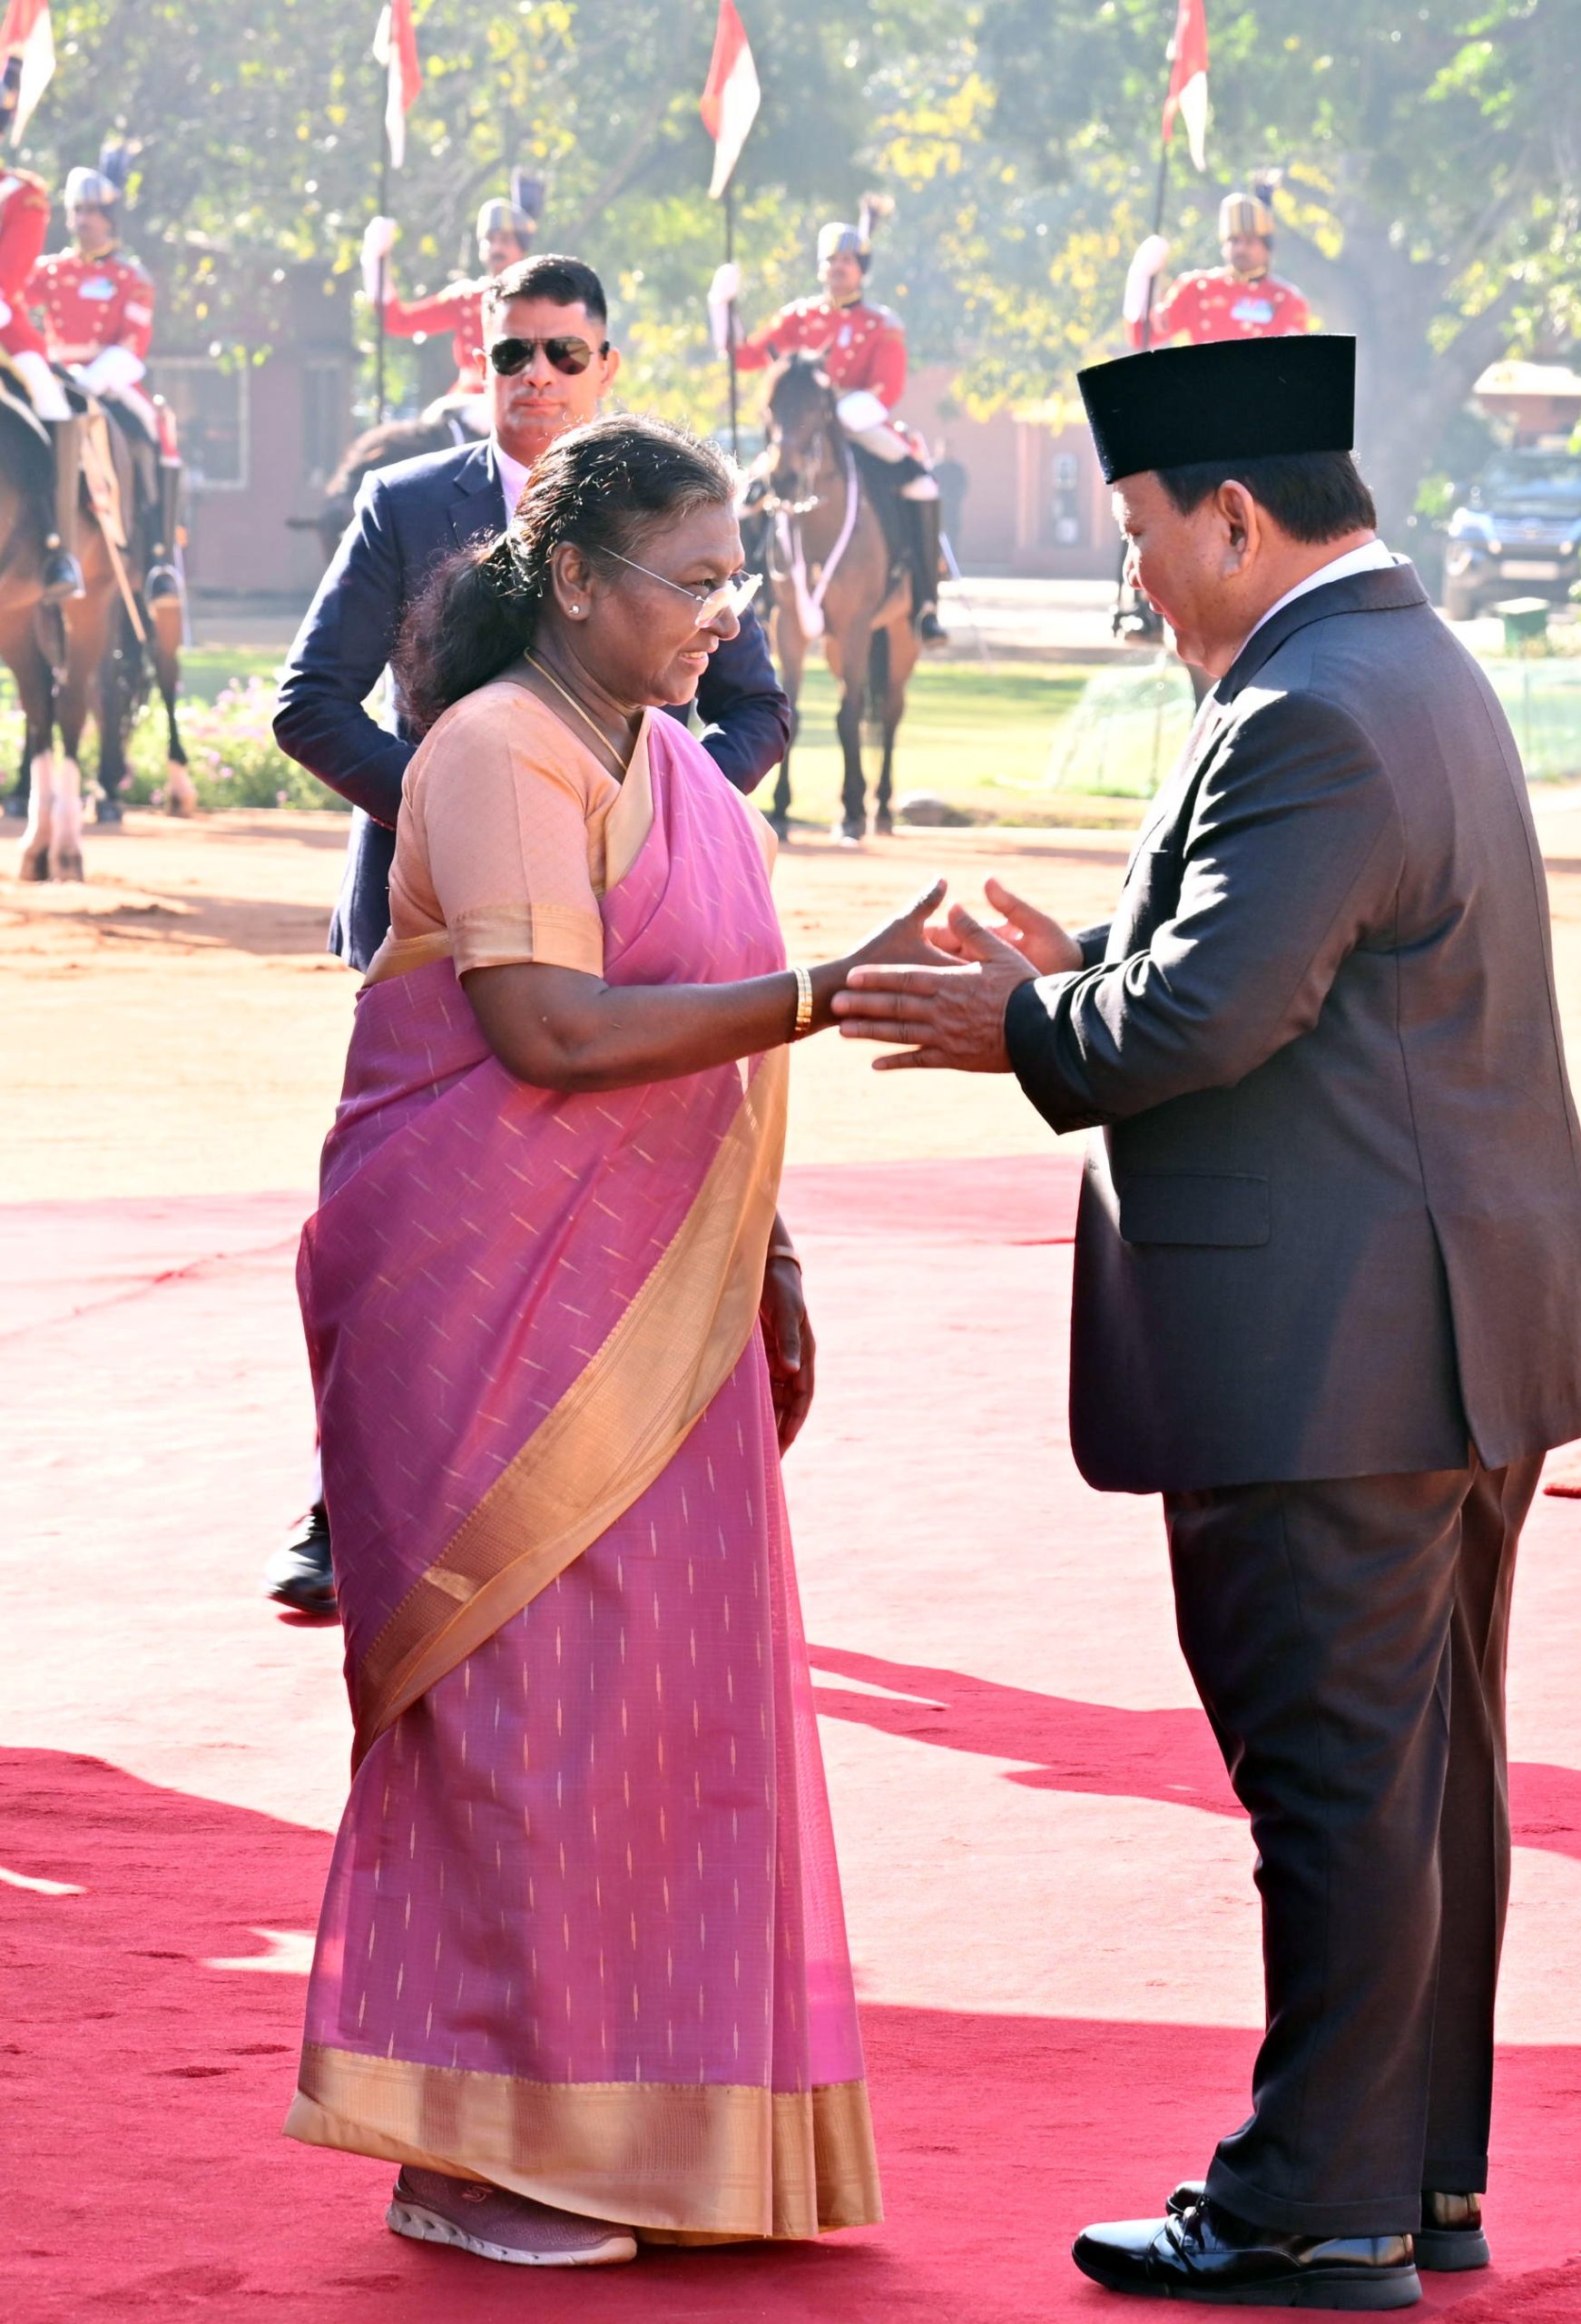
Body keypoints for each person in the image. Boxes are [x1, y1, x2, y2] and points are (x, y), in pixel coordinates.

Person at [834, 334, 1581, 2310]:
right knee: (1418, 1780)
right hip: (1434, 1329)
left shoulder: (1308, 708)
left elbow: (1214, 1013)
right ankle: (1409, 2180)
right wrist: (1087, 959)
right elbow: (1286, 959)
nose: (1130, 573)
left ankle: (1309, 2207)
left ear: (1236, 517)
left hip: (1338, 1351)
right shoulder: (1394, 668)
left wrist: (1022, 1020)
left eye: (1136, 531)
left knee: (1338, 1790)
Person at [290, 409, 941, 2264]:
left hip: (662, 1300)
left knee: (663, 1709)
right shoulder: (496, 747)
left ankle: (654, 2142)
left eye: (738, 580)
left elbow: (695, 1041)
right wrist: (824, 993)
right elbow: (551, 1031)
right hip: (481, 1298)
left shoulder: (680, 771)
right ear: (573, 577)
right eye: (692, 580)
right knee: (521, 1714)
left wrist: (764, 1244)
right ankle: (467, 2152)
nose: (723, 616)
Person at [268, 251, 793, 1617]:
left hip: (650, 937)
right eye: (513, 353)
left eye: (564, 353)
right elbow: (308, 703)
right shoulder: (407, 503)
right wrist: (485, 824)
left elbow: (755, 710)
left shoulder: (683, 517)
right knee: (433, 1240)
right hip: (446, 934)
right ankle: (359, 1498)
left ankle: (614, 1486)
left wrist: (649, 828)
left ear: (607, 366)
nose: (537, 376)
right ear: (481, 361)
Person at [722, 207, 948, 641]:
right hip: (803, 433)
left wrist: (842, 412)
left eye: (847, 261)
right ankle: (752, 598)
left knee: (922, 485)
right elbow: (746, 356)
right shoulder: (799, 317)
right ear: (820, 268)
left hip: (858, 423)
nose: (838, 267)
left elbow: (888, 387)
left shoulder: (882, 323)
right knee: (747, 498)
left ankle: (925, 602)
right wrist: (724, 307)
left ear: (861, 269)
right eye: (831, 260)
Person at [30, 147, 183, 603]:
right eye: (77, 210)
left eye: (93, 211)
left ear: (111, 218)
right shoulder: (49, 271)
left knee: (156, 433)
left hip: (109, 381)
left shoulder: (131, 277)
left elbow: (133, 344)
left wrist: (90, 380)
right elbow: (15, 299)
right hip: (54, 377)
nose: (83, 220)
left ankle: (158, 560)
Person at [0, 58, 83, 600]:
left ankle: (58, 548)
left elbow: (8, 277)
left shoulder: (22, 194)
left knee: (53, 403)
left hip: (5, 332)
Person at [360, 175, 539, 419]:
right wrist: (376, 259)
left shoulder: (538, 297)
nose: (496, 248)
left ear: (522, 248)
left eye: (506, 240)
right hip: (468, 401)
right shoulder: (465, 298)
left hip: (523, 398)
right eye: (490, 239)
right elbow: (398, 321)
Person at [1124, 189, 1312, 350]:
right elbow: (1142, 337)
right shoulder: (1197, 288)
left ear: (1266, 248)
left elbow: (1294, 359)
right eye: (1234, 240)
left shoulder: (1287, 299)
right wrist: (1141, 276)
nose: (1240, 248)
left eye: (1249, 241)